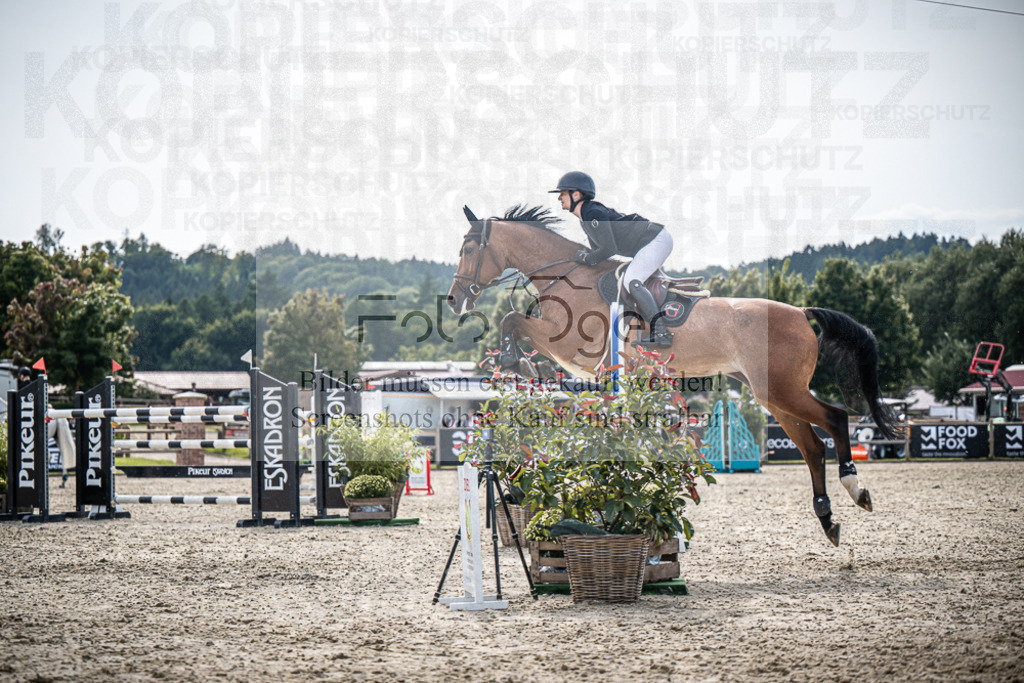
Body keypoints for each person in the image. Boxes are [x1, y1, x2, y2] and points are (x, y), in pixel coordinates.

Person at [549, 171, 674, 348]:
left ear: (576, 194)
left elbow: (609, 249)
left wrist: (585, 258)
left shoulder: (593, 214)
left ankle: (661, 332)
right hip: (649, 242)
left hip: (656, 239)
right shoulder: (586, 217)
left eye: (563, 193)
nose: (559, 197)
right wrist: (583, 259)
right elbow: (597, 253)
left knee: (632, 281)